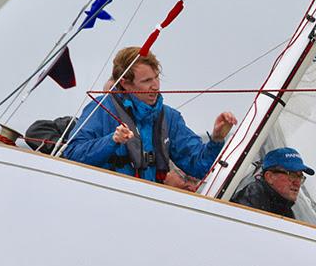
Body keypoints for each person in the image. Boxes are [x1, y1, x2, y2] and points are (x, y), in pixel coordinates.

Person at [62, 46, 237, 184]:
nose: (155, 86)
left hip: (147, 208)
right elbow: (71, 154)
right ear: (125, 83)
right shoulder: (100, 108)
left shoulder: (170, 118)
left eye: (156, 78)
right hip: (106, 201)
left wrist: (216, 140)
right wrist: (112, 141)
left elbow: (199, 167)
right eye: (146, 81)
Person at [231, 147, 314, 219]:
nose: (297, 183)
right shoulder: (251, 200)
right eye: (292, 175)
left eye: (300, 177)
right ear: (269, 177)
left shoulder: (283, 208)